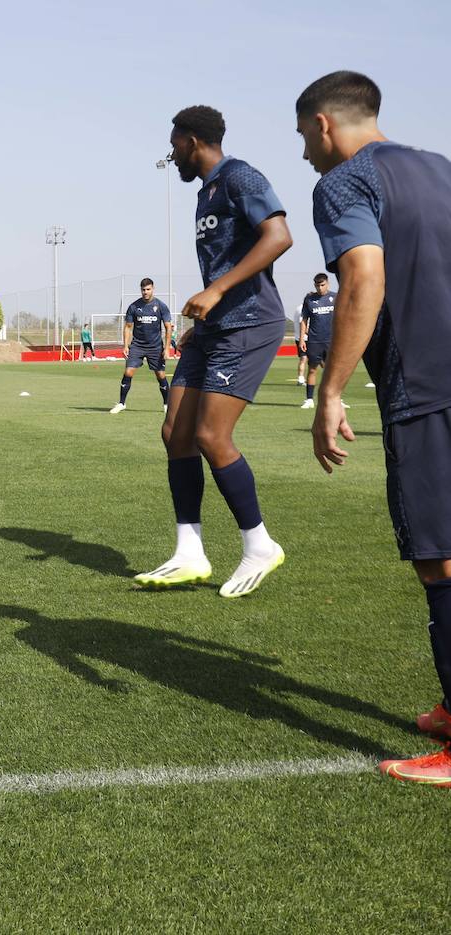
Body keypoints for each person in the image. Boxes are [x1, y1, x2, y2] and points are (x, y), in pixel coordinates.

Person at [301, 70, 451, 784]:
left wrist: (330, 390)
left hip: (423, 387)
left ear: (326, 126)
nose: (304, 153)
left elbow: (364, 277)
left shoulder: (343, 183)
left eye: (304, 136)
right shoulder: (440, 168)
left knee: (441, 558)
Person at [134, 105, 292, 598]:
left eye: (175, 144)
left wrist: (217, 291)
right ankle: (190, 552)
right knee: (175, 432)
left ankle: (260, 544)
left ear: (193, 140)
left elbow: (279, 235)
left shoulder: (240, 177)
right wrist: (200, 323)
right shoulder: (205, 193)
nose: (172, 154)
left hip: (249, 323)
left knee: (209, 434)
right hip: (215, 328)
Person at [109, 278, 173, 414]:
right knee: (128, 372)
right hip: (137, 346)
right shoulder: (133, 307)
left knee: (160, 375)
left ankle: (167, 404)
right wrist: (125, 346)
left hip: (155, 347)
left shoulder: (161, 306)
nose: (145, 292)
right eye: (143, 290)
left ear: (153, 289)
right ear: (141, 290)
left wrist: (167, 348)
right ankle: (121, 403)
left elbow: (168, 328)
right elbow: (127, 327)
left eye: (148, 289)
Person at [298, 273, 336, 408]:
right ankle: (309, 399)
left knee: (332, 370)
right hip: (314, 340)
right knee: (312, 369)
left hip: (332, 340)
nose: (320, 288)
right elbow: (303, 320)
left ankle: (336, 399)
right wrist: (302, 339)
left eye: (322, 285)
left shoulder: (335, 297)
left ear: (328, 283)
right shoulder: (309, 299)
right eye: (317, 285)